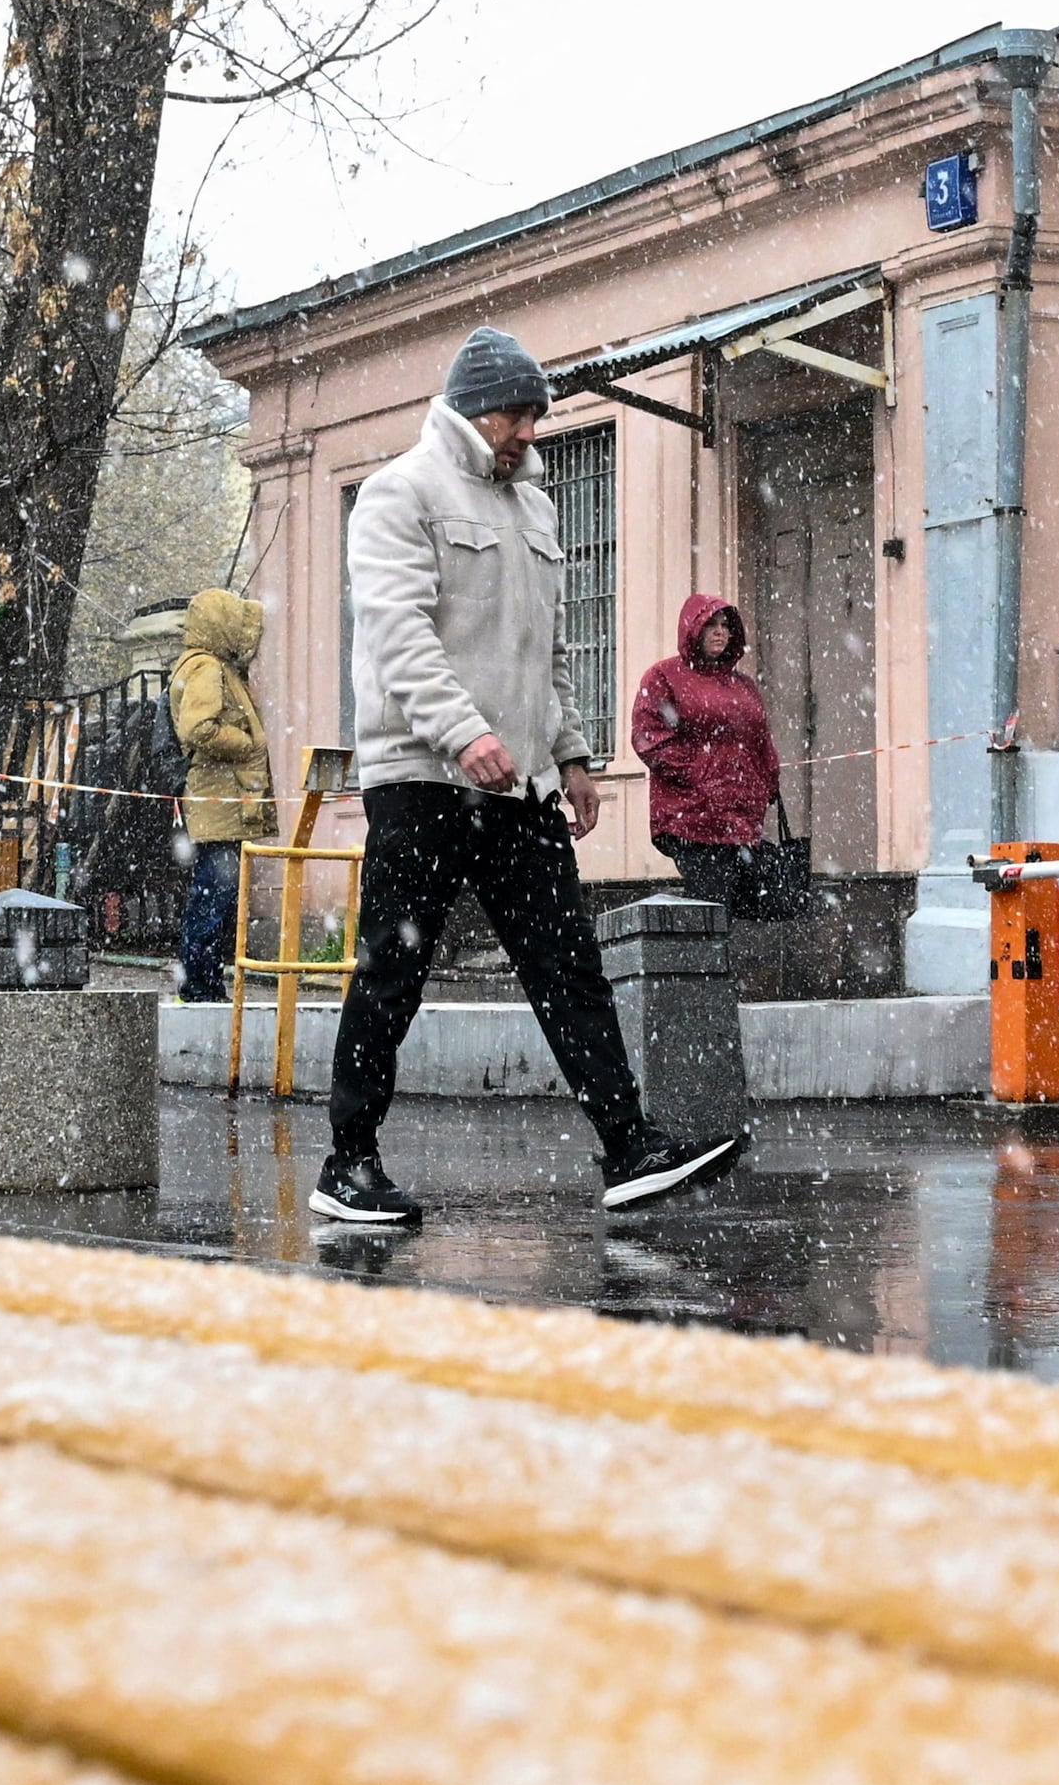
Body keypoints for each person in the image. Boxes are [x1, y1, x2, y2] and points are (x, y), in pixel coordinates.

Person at [314, 326, 751, 1230]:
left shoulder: (534, 510)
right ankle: (348, 1163)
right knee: (392, 972)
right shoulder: (400, 495)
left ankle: (629, 1150)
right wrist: (462, 733)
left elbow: (545, 652)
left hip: (517, 786)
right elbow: (397, 634)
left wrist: (574, 755)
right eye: (521, 416)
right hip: (423, 778)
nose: (532, 435)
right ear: (479, 408)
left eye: (538, 419)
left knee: (569, 968)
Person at [629, 593, 785, 915]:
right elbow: (651, 738)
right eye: (710, 624)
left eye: (725, 625)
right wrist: (703, 779)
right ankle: (700, 964)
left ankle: (730, 965)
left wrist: (766, 782)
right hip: (692, 818)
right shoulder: (664, 677)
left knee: (744, 916)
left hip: (742, 820)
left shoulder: (743, 685)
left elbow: (761, 741)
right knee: (711, 912)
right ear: (692, 629)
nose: (719, 632)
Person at [171, 586, 272, 1003]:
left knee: (216, 896)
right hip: (218, 802)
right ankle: (199, 988)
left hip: (221, 802)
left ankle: (203, 985)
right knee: (213, 897)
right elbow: (198, 727)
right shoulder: (208, 668)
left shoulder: (209, 666)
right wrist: (245, 743)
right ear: (223, 625)